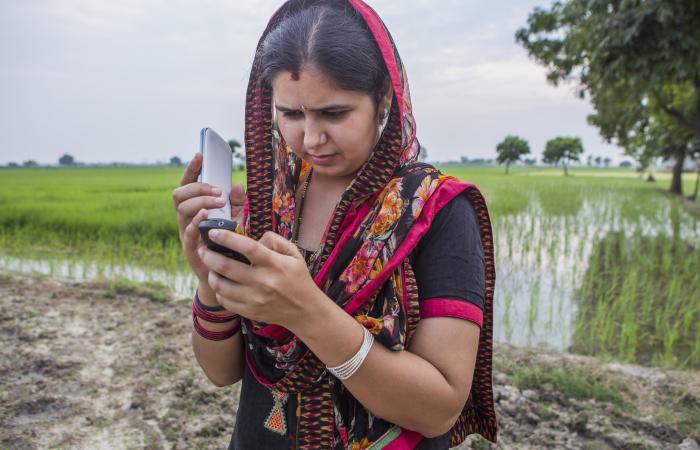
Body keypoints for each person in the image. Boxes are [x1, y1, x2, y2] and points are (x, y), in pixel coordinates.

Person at [172, 0, 497, 448]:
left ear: (384, 97)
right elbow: (221, 371)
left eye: (334, 113)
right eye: (290, 114)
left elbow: (439, 409)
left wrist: (305, 310)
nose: (310, 138)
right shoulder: (269, 205)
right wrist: (211, 279)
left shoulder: (433, 212)